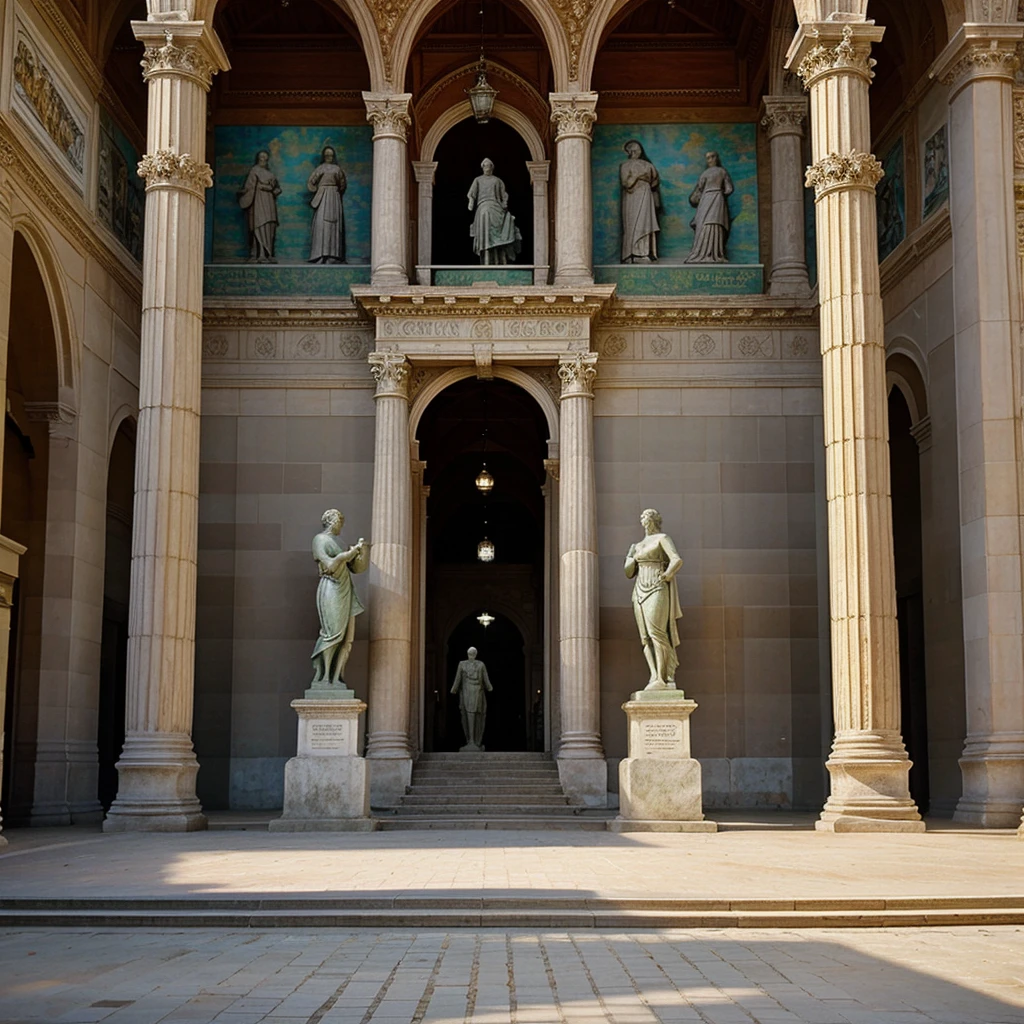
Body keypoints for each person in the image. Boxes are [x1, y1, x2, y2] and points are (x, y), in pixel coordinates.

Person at [624, 508, 683, 689]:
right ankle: (654, 675)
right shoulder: (637, 545)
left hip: (657, 587)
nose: (643, 519)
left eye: (647, 516)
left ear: (654, 520)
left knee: (657, 632)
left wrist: (667, 574)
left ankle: (664, 678)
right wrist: (630, 555)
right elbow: (628, 572)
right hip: (639, 590)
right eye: (642, 517)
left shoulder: (662, 538)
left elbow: (676, 559)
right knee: (645, 637)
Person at [310, 509, 368, 690]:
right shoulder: (320, 540)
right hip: (331, 589)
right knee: (332, 634)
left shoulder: (339, 542)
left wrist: (361, 552)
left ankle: (336, 679)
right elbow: (330, 565)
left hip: (346, 590)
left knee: (347, 639)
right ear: (330, 520)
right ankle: (323, 678)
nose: (341, 525)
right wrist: (348, 554)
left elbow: (356, 569)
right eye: (339, 521)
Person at [467, 158, 522, 265]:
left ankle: (499, 260)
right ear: (482, 167)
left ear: (492, 167)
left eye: (489, 166)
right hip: (483, 208)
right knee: (486, 233)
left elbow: (504, 195)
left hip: (496, 208)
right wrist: (471, 201)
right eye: (485, 166)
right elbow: (471, 194)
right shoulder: (477, 180)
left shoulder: (497, 181)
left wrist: (504, 205)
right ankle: (487, 259)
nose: (487, 168)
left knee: (504, 228)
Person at [684, 151, 734, 264]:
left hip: (708, 199)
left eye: (712, 157)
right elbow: (729, 189)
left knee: (711, 223)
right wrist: (720, 193)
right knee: (708, 224)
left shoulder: (706, 173)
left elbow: (700, 188)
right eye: (708, 158)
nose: (710, 159)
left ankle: (710, 252)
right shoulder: (721, 171)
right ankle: (712, 253)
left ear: (716, 158)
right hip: (715, 198)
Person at [619, 140, 660, 263]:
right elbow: (626, 183)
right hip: (631, 197)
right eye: (632, 150)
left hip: (645, 194)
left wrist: (644, 180)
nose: (635, 152)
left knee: (644, 221)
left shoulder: (647, 165)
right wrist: (637, 176)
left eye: (637, 149)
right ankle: (631, 253)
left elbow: (655, 181)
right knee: (632, 223)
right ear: (629, 152)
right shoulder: (625, 165)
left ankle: (643, 252)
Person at [238, 150, 282, 263]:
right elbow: (249, 186)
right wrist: (243, 192)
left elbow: (278, 189)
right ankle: (259, 253)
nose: (263, 160)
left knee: (269, 227)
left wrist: (272, 189)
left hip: (269, 203)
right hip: (258, 202)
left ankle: (268, 253)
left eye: (265, 158)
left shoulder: (270, 174)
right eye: (261, 158)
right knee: (259, 225)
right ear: (258, 159)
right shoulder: (255, 171)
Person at [308, 146, 347, 263]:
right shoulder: (320, 169)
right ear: (324, 156)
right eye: (327, 155)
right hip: (322, 197)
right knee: (321, 225)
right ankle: (320, 255)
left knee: (334, 226)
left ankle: (333, 255)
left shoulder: (337, 169)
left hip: (334, 198)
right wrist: (318, 188)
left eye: (331, 155)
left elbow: (342, 184)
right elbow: (311, 183)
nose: (329, 157)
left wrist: (334, 191)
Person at [450, 647, 493, 751]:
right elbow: (487, 683)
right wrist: (489, 687)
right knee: (475, 717)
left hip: (470, 695)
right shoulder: (480, 665)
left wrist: (453, 690)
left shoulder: (463, 664)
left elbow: (457, 681)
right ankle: (472, 741)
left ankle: (472, 741)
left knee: (470, 716)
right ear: (476, 654)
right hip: (475, 694)